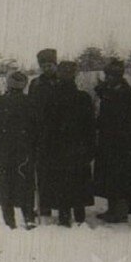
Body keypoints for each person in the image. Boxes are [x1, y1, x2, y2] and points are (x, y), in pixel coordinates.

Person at [38, 61, 95, 227]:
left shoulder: (51, 96)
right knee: (78, 182)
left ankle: (64, 218)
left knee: (62, 183)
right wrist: (90, 148)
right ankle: (80, 218)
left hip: (58, 148)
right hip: (78, 148)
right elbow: (90, 126)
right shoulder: (83, 97)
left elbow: (46, 125)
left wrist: (45, 146)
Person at [0, 71, 38, 229]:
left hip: (2, 152)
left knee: (5, 186)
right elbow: (37, 130)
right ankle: (28, 218)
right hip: (24, 152)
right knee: (25, 185)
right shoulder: (30, 102)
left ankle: (10, 222)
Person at [93, 58, 131, 223]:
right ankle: (112, 209)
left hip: (121, 142)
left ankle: (119, 212)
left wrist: (105, 94)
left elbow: (118, 116)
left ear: (118, 76)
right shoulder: (112, 90)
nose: (107, 79)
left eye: (111, 76)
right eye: (107, 75)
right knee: (110, 177)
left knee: (119, 178)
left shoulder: (125, 92)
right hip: (109, 141)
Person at [28, 48, 59, 218]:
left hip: (60, 135)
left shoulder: (62, 82)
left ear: (55, 65)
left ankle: (61, 206)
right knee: (43, 173)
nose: (47, 69)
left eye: (50, 65)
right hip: (41, 135)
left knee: (59, 173)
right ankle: (45, 207)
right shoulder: (35, 84)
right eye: (44, 66)